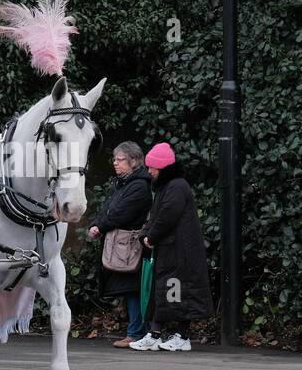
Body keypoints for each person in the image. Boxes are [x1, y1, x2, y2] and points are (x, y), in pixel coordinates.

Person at [129, 142, 213, 352]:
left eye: (151, 167)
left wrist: (150, 237)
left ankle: (179, 336)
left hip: (179, 254)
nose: (148, 171)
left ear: (162, 167)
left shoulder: (176, 187)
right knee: (169, 293)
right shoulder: (170, 186)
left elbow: (166, 216)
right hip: (173, 252)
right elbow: (158, 215)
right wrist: (146, 234)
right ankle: (159, 333)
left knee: (175, 293)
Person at [88, 142, 153, 347]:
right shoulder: (123, 182)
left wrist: (100, 227)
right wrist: (98, 223)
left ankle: (136, 333)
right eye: (114, 159)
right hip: (121, 245)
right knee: (129, 289)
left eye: (120, 159)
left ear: (133, 161)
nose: (115, 163)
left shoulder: (139, 186)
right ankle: (136, 331)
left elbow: (121, 212)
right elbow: (108, 208)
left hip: (131, 245)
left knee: (134, 288)